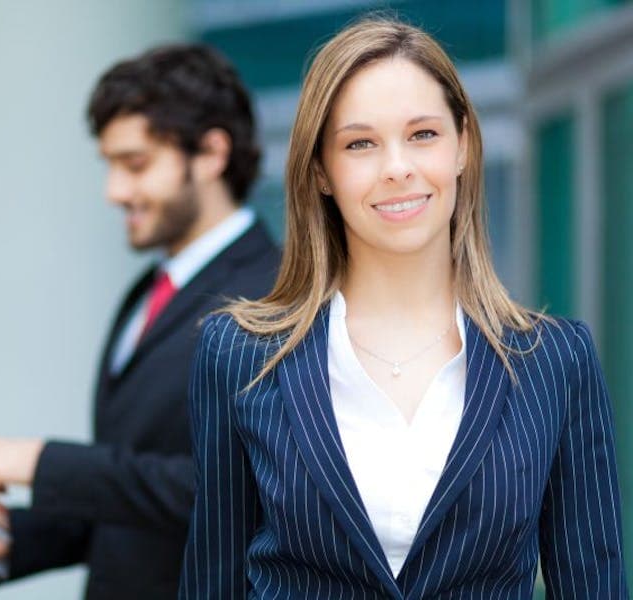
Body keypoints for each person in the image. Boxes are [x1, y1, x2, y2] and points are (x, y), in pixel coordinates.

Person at [179, 18, 627, 599]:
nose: (397, 167)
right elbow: (211, 585)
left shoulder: (556, 360)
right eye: (360, 143)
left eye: (423, 135)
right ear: (321, 171)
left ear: (463, 145)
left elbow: (594, 585)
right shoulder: (240, 355)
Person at [0, 43, 280, 599]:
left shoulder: (277, 295)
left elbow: (245, 495)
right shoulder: (146, 291)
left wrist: (42, 463)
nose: (114, 192)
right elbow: (133, 498)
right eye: (109, 165)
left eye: (135, 164)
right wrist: (10, 537)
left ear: (210, 153)